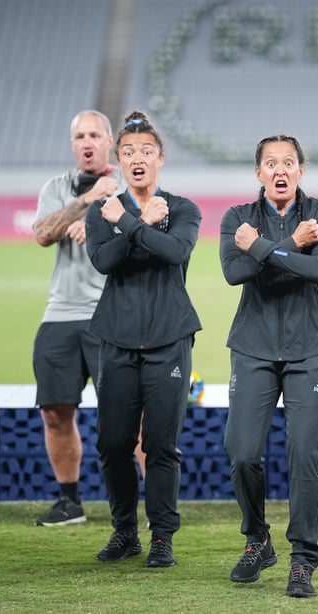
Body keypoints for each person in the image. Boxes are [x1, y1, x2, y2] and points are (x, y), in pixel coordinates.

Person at [219, 134, 318, 598]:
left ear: (300, 170)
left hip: (311, 347)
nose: (280, 170)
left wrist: (263, 249)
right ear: (259, 173)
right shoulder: (237, 217)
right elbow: (236, 274)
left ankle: (303, 560)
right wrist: (292, 245)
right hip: (252, 346)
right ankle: (258, 539)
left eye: (288, 162)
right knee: (243, 452)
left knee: (304, 455)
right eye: (271, 163)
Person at [84, 111, 202, 569]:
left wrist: (132, 224)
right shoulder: (102, 210)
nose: (138, 159)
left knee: (161, 444)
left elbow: (176, 252)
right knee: (113, 443)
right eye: (129, 152)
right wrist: (137, 224)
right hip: (115, 337)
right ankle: (125, 532)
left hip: (169, 336)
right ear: (118, 159)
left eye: (146, 152)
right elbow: (105, 261)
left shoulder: (183, 208)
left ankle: (162, 537)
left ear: (161, 158)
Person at [29, 110, 149, 527]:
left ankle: (155, 505)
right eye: (79, 135)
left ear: (110, 142)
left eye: (95, 135)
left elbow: (149, 237)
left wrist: (98, 220)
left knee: (132, 415)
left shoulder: (132, 183)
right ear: (72, 143)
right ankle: (70, 502)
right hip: (61, 311)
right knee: (55, 411)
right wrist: (85, 202)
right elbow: (42, 233)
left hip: (111, 313)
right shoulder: (57, 188)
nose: (87, 142)